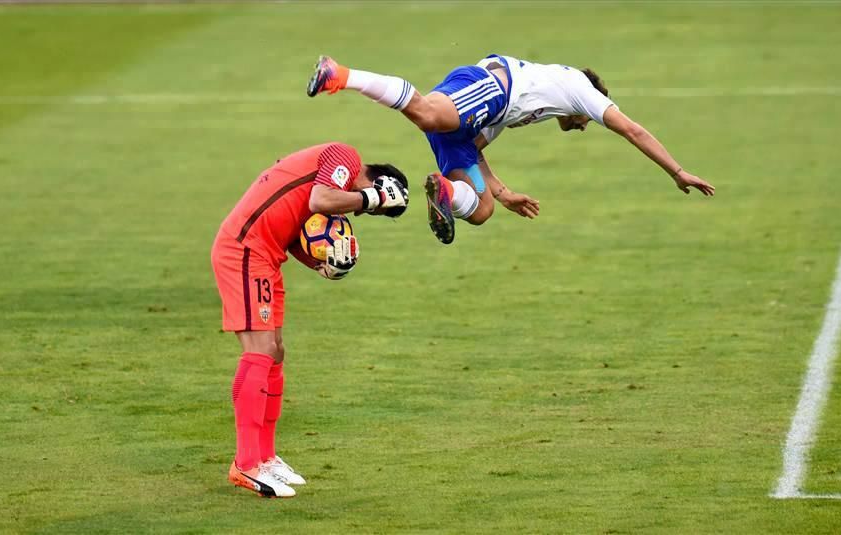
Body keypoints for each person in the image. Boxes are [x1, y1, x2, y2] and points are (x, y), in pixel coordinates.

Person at [306, 54, 715, 244]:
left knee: (481, 211)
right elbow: (633, 131)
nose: (581, 126)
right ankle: (341, 74)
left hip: (484, 109)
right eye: (586, 121)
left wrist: (502, 193)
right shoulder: (581, 92)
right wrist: (677, 171)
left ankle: (446, 193)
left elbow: (476, 145)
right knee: (428, 113)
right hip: (490, 88)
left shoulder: (534, 108)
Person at [211, 142, 409, 498]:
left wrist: (321, 264)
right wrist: (372, 199)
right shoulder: (343, 155)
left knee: (275, 352)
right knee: (259, 351)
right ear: (378, 181)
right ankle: (245, 464)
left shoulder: (334, 182)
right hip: (244, 248)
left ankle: (265, 457)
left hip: (266, 257)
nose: (362, 215)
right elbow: (320, 200)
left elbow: (292, 229)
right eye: (374, 209)